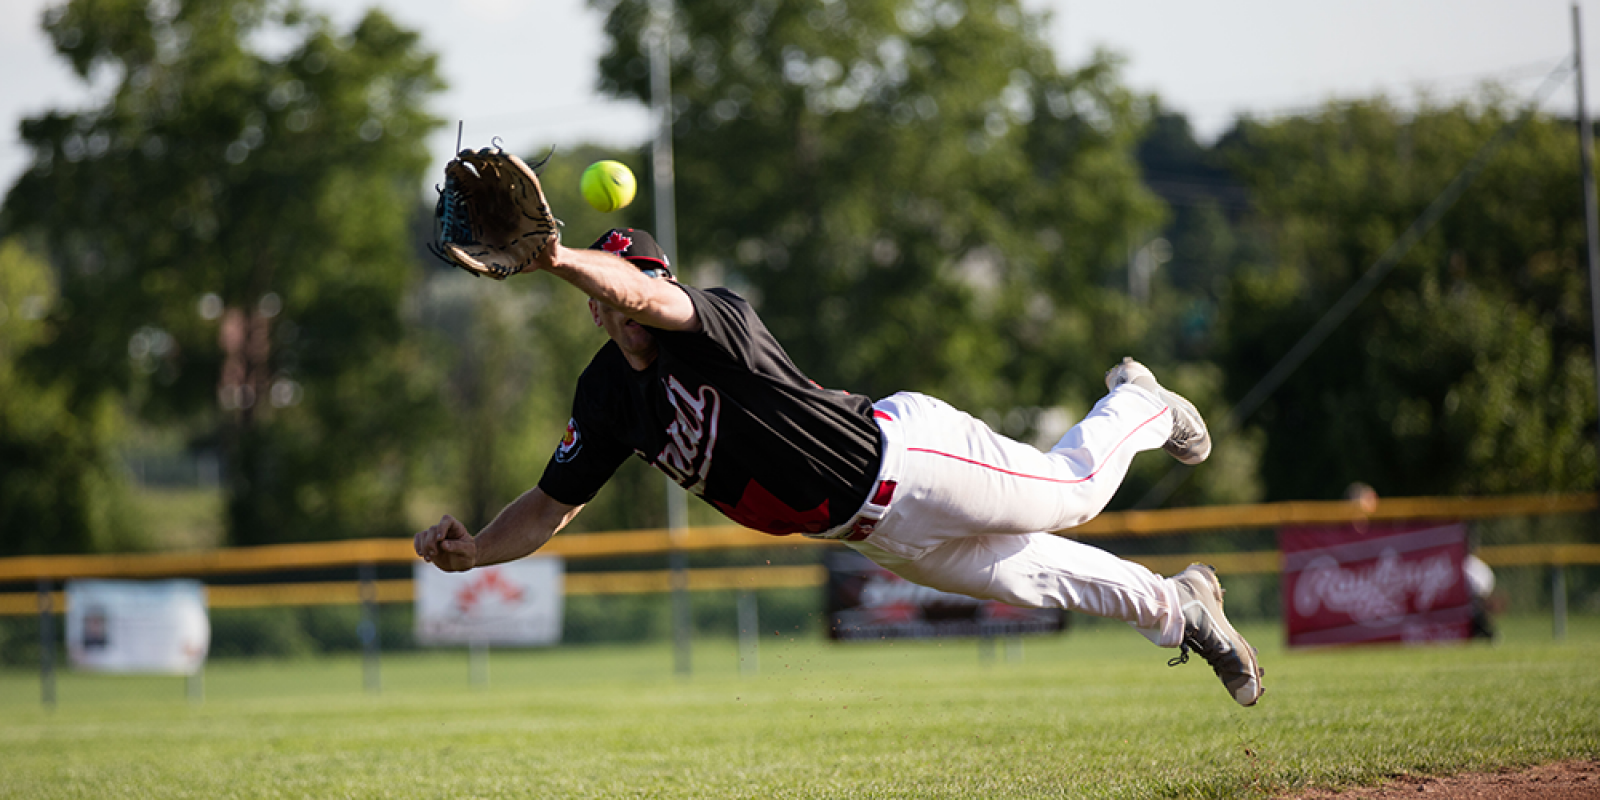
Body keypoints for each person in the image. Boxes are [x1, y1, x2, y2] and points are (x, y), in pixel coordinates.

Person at [414, 227, 1265, 706]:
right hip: (876, 533)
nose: (633, 297)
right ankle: (1182, 604)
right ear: (596, 310)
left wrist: (555, 259)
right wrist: (476, 551)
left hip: (912, 460)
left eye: (644, 280)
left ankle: (1141, 403)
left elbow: (651, 297)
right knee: (1049, 580)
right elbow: (554, 500)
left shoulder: (710, 323)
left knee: (1072, 493)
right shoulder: (605, 395)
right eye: (616, 289)